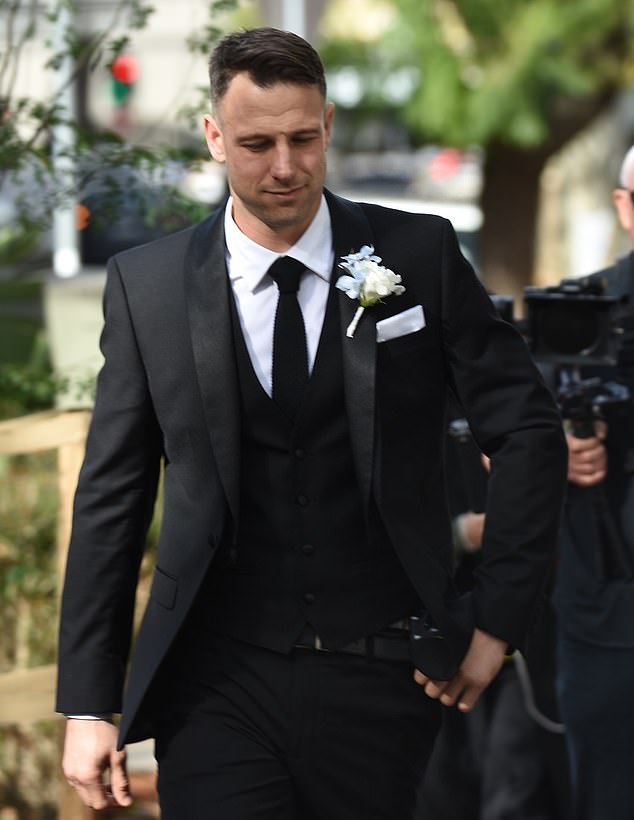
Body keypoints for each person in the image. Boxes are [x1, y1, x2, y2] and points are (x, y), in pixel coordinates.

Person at [56, 27, 567, 820]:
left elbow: (529, 431)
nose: (285, 166)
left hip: (385, 674)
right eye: (257, 144)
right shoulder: (146, 287)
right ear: (215, 138)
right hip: (212, 681)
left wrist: (498, 621)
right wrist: (89, 704)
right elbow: (111, 497)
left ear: (328, 125)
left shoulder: (419, 253)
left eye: (302, 138)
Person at [553, 144, 634, 820]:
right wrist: (562, 448)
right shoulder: (579, 315)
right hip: (607, 613)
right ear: (624, 207)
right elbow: (500, 445)